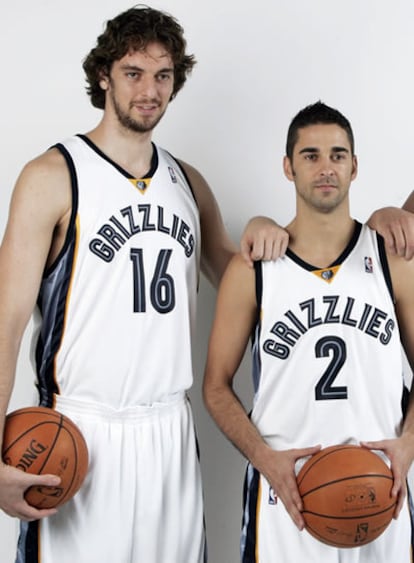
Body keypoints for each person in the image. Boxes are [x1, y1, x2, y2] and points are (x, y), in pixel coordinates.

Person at [0, 7, 291, 563]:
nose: (150, 89)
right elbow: (6, 319)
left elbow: (240, 284)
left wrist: (259, 228)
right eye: (134, 72)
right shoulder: (53, 176)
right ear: (104, 75)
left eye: (163, 75)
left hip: (168, 433)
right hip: (78, 432)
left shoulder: (187, 181)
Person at [203, 101, 414, 562]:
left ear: (354, 167)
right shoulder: (254, 268)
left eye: (338, 155)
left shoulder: (391, 260)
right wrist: (266, 461)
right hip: (287, 496)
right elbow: (216, 388)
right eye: (310, 155)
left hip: (383, 491)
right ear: (288, 166)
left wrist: (408, 446)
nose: (325, 168)